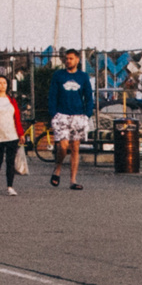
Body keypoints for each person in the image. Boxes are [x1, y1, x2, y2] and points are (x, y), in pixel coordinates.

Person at [45, 47, 93, 190]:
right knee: (63, 146)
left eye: (71, 59)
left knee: (75, 147)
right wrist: (53, 113)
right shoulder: (58, 75)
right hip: (62, 114)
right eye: (66, 59)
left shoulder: (83, 77)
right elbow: (52, 95)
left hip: (78, 115)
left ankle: (73, 180)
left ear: (77, 60)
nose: (68, 61)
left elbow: (88, 97)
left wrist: (87, 114)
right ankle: (58, 168)